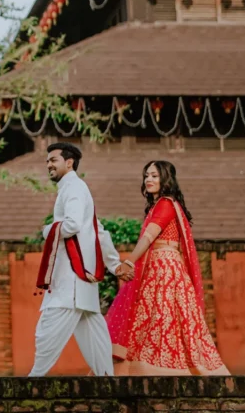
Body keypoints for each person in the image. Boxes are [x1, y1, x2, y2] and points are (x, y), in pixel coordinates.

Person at [105, 160, 230, 376]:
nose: (149, 180)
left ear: (166, 179)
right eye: (146, 176)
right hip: (157, 267)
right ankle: (146, 367)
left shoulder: (165, 204)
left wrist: (128, 261)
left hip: (165, 269)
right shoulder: (160, 205)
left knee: (161, 316)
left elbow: (148, 237)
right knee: (156, 317)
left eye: (154, 175)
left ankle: (162, 369)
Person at [29, 142, 134, 377]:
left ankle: (31, 383)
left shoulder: (73, 188)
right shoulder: (75, 188)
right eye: (47, 161)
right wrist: (114, 264)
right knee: (95, 336)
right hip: (82, 280)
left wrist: (48, 230)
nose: (48, 165)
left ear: (69, 162)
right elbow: (98, 231)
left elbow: (74, 225)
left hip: (71, 279)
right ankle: (108, 384)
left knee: (47, 330)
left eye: (53, 160)